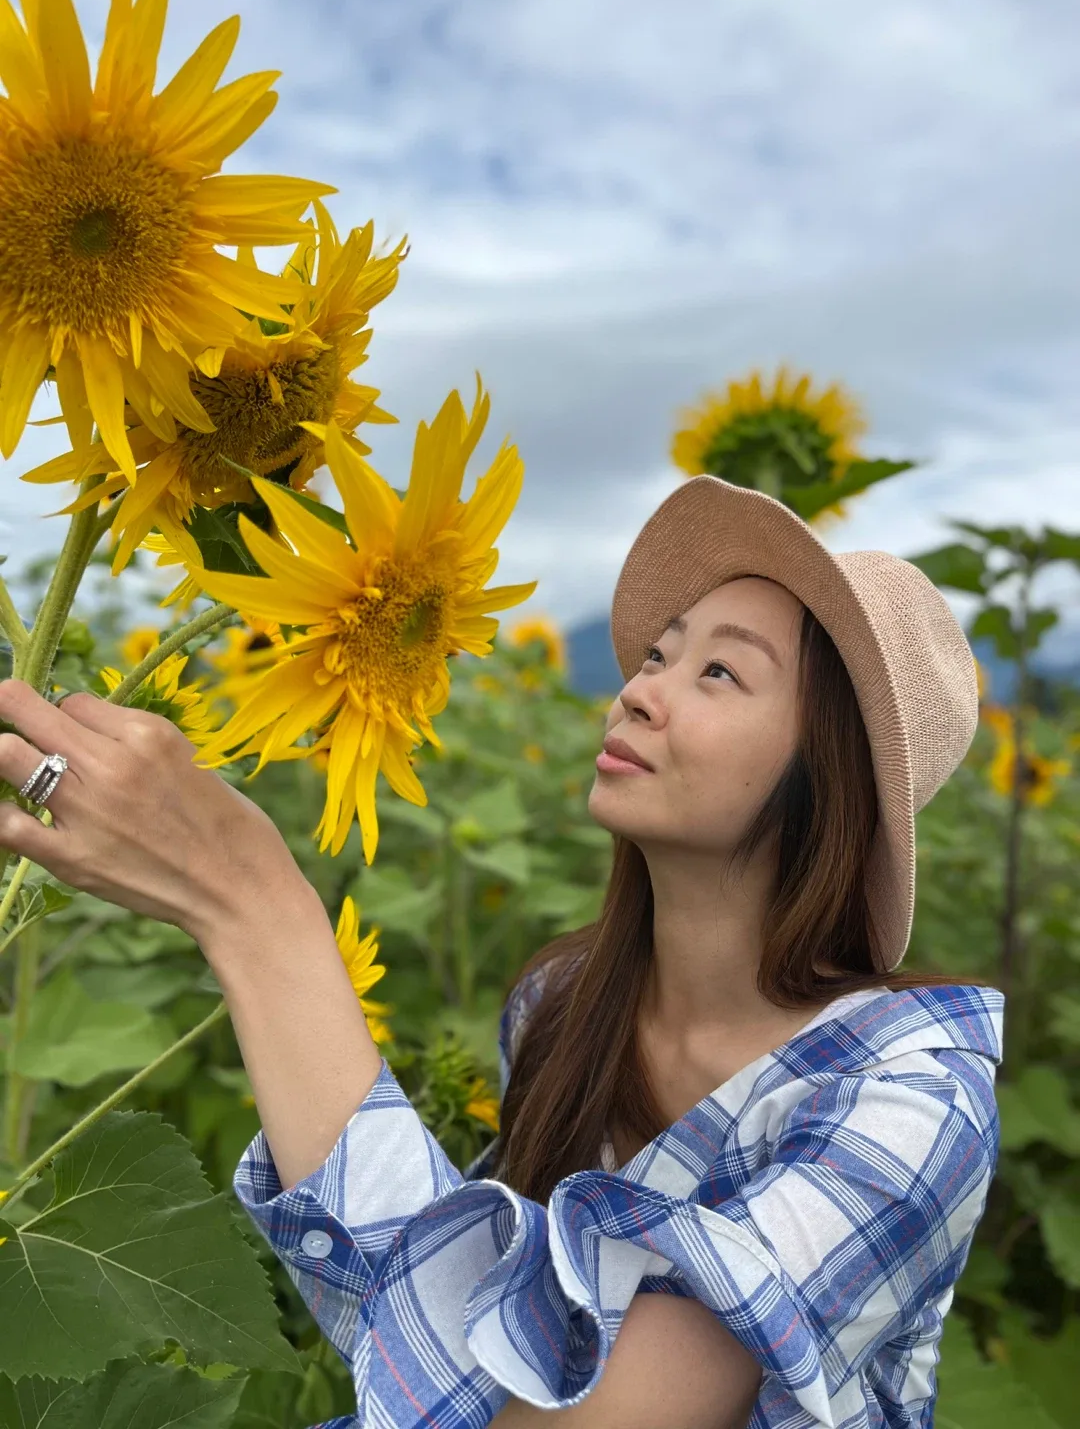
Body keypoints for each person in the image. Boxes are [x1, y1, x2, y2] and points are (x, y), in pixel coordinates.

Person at [0, 474, 1004, 1429]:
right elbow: (468, 1323)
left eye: (720, 672)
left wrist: (254, 906)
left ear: (825, 778)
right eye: (658, 655)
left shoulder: (912, 1105)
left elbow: (524, 1413)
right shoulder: (561, 1005)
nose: (639, 694)